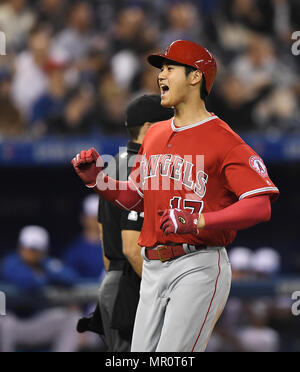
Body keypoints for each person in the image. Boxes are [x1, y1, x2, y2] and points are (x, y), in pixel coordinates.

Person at [72, 40, 279, 352]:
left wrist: (199, 220)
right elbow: (138, 198)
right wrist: (98, 182)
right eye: (161, 69)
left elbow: (260, 205)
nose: (161, 75)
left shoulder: (225, 140)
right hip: (153, 266)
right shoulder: (155, 133)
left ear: (195, 77)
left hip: (197, 263)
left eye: (170, 68)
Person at [95, 95, 173, 352]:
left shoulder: (113, 166)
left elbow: (104, 237)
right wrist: (163, 293)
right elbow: (130, 248)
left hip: (116, 280)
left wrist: (117, 280)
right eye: (168, 124)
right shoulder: (140, 167)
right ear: (150, 128)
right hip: (134, 281)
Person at [0, 226, 80, 352]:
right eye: (26, 247)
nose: (28, 252)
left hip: (39, 320)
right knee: (4, 320)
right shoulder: (11, 262)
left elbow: (71, 278)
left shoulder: (47, 264)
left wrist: (45, 267)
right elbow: (29, 283)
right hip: (15, 322)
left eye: (34, 249)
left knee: (71, 319)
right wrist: (44, 277)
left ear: (43, 251)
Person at [64, 194, 105, 282]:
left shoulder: (118, 247)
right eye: (92, 217)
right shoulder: (74, 250)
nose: (97, 220)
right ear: (83, 218)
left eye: (100, 216)